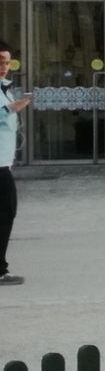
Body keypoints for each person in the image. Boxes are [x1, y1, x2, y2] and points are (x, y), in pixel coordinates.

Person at [0, 39, 28, 286]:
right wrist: (10, 110)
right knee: (7, 211)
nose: (4, 66)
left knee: (6, 211)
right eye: (0, 61)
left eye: (7, 62)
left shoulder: (4, 87)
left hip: (3, 162)